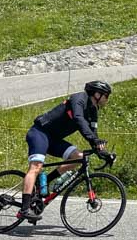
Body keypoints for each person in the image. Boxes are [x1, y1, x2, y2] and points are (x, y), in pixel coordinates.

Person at [18, 80, 111, 221]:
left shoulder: (93, 111)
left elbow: (93, 134)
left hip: (54, 139)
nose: (107, 99)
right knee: (36, 167)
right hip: (40, 133)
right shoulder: (78, 99)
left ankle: (46, 181)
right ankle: (24, 209)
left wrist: (103, 152)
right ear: (97, 94)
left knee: (78, 157)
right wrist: (93, 140)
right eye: (106, 96)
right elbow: (79, 119)